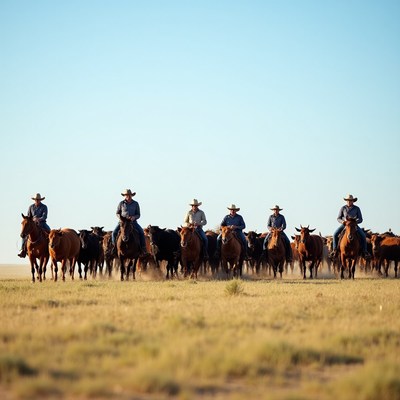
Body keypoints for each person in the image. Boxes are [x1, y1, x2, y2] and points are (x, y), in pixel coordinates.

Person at [329, 194, 371, 259]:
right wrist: (343, 222)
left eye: (350, 200)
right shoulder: (343, 208)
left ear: (353, 201)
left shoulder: (357, 208)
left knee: (363, 235)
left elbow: (360, 219)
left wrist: (355, 222)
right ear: (346, 201)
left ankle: (365, 252)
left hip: (354, 225)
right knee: (335, 234)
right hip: (345, 225)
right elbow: (338, 218)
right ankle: (335, 250)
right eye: (348, 200)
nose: (349, 202)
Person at [112, 189, 147, 255]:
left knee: (141, 232)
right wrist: (121, 218)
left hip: (133, 222)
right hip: (122, 222)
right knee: (114, 233)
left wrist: (134, 217)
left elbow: (138, 214)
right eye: (127, 195)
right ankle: (114, 248)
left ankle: (143, 249)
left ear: (131, 195)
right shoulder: (121, 203)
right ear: (124, 196)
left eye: (129, 195)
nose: (128, 196)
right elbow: (117, 213)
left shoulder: (136, 203)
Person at [18, 193, 51, 258]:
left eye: (38, 199)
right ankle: (23, 250)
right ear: (34, 200)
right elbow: (28, 216)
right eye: (36, 199)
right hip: (32, 224)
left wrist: (38, 219)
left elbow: (44, 216)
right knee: (24, 234)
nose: (37, 200)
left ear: (40, 200)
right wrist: (32, 220)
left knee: (49, 232)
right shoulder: (31, 207)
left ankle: (50, 249)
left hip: (42, 223)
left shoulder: (44, 207)